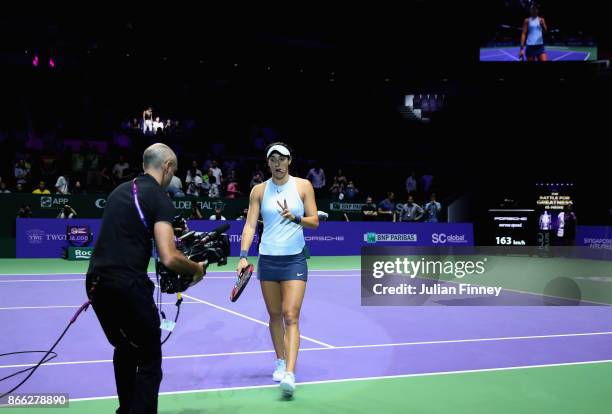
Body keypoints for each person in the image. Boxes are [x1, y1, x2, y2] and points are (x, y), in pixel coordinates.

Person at [85, 143, 206, 413]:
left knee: (125, 348)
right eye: (174, 171)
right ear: (167, 167)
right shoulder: (160, 197)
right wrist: (197, 269)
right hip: (128, 285)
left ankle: (125, 410)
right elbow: (169, 256)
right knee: (150, 361)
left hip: (96, 284)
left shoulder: (119, 191)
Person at [237, 142, 319, 398]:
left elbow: (314, 221)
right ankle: (280, 361)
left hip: (294, 259)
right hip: (268, 259)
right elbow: (250, 225)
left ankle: (290, 374)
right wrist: (242, 256)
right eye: (273, 159)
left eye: (281, 158)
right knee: (274, 315)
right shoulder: (259, 191)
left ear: (289, 161)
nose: (277, 163)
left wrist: (295, 218)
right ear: (268, 163)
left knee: (290, 315)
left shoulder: (303, 186)